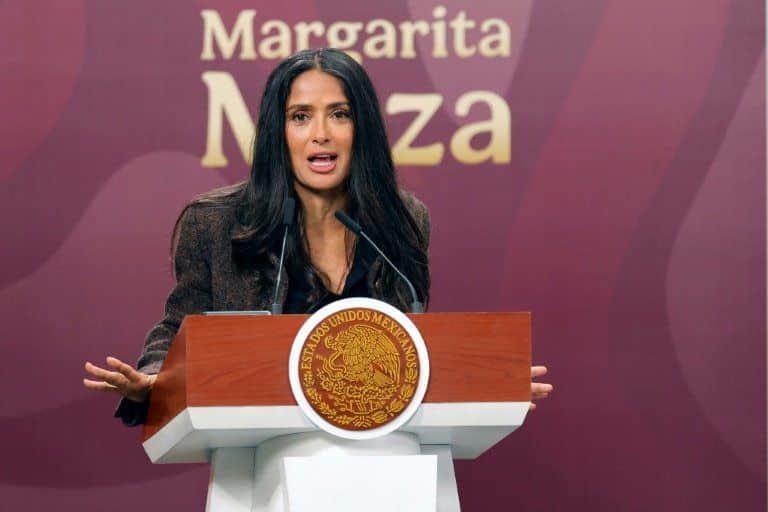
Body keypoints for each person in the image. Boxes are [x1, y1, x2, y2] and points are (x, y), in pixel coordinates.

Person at [82, 48, 552, 425]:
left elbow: (407, 350)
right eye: (301, 116)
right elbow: (180, 328)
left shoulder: (403, 219)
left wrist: (483, 382)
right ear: (278, 131)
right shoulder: (217, 222)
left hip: (385, 458)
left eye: (340, 114)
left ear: (362, 128)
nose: (321, 134)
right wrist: (153, 377)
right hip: (264, 464)